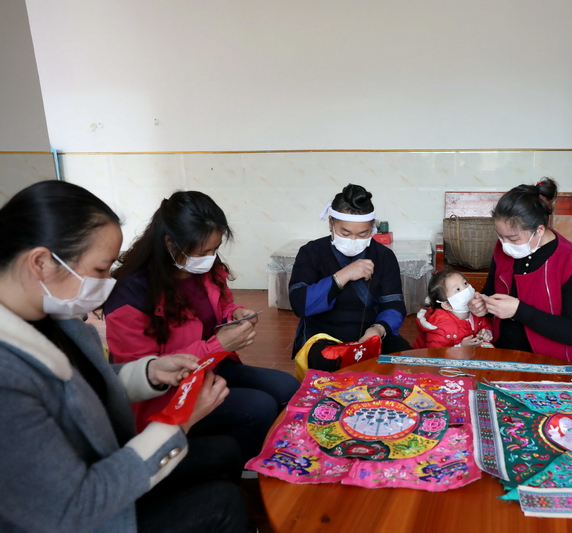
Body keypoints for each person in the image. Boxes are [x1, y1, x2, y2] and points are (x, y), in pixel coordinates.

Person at [0, 180, 250, 532]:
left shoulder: (56, 320)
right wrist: (178, 422)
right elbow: (74, 508)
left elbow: (86, 384)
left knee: (225, 452)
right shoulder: (8, 379)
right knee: (222, 502)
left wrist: (150, 372)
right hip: (90, 511)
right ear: (41, 262)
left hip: (110, 456)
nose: (108, 283)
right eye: (100, 269)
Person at [104, 190, 299, 462]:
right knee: (258, 407)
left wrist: (234, 314)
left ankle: (259, 451)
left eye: (215, 249)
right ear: (170, 243)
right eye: (203, 251)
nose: (210, 257)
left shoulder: (205, 268)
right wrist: (218, 345)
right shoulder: (131, 294)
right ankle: (235, 465)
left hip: (211, 366)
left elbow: (222, 305)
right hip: (166, 392)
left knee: (287, 386)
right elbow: (142, 372)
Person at [469, 178, 572, 367]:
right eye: (500, 236)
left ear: (539, 230)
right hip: (503, 354)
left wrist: (519, 310)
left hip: (556, 364)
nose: (505, 245)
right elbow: (490, 292)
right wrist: (483, 305)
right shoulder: (503, 249)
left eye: (513, 238)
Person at [289, 183, 412, 368]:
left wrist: (378, 330)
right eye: (345, 233)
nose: (353, 240)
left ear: (372, 228)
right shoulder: (311, 252)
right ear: (331, 223)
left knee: (407, 365)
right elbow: (300, 304)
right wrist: (343, 276)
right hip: (323, 336)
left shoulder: (384, 256)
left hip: (372, 335)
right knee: (329, 366)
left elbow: (394, 305)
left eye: (363, 234)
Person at [413, 267, 493, 348]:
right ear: (447, 305)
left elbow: (486, 323)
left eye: (465, 283)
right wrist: (460, 346)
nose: (466, 289)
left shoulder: (476, 310)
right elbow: (436, 352)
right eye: (457, 289)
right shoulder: (440, 327)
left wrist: (487, 332)